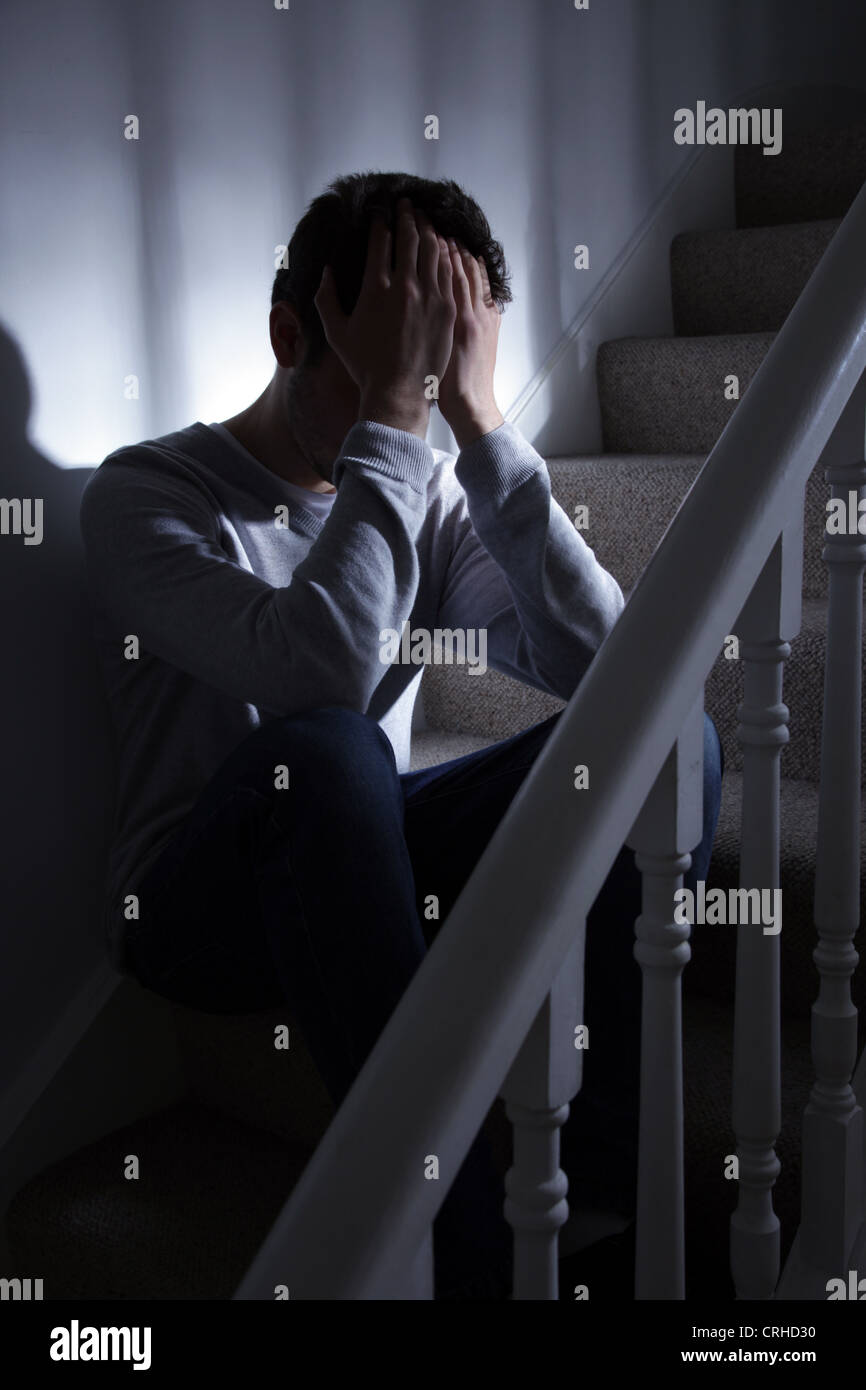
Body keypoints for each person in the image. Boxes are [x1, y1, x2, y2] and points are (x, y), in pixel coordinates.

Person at [80, 171, 723, 1298]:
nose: (411, 405)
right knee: (329, 751)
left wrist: (478, 424)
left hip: (360, 841)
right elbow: (315, 674)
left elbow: (610, 672)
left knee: (675, 740)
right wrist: (396, 415)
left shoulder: (417, 481)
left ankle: (615, 1194)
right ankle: (466, 1245)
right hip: (198, 903)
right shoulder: (146, 497)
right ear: (290, 334)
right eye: (385, 368)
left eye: (438, 372)